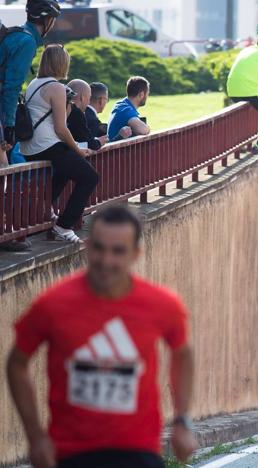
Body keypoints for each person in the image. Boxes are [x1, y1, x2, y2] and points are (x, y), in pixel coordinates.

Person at [7, 205, 197, 468]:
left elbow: (182, 352)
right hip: (71, 454)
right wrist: (35, 437)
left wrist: (182, 419)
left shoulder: (162, 305)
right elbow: (17, 362)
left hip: (137, 451)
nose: (107, 260)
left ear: (136, 254)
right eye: (99, 248)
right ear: (87, 246)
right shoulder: (53, 304)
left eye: (118, 251)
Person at [20, 45, 98, 244]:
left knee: (65, 171)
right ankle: (63, 226)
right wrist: (78, 150)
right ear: (61, 63)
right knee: (90, 177)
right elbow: (61, 129)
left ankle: (44, 209)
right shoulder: (57, 88)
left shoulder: (34, 84)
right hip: (46, 144)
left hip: (29, 146)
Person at [0, 0, 61, 252]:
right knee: (6, 171)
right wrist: (10, 126)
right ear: (48, 20)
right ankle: (7, 234)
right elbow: (11, 87)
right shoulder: (25, 42)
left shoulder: (17, 35)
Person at [226, 29, 258, 154]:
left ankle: (242, 144)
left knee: (252, 109)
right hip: (247, 91)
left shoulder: (247, 49)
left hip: (232, 89)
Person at [107, 76, 150, 142]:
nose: (147, 97)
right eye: (147, 94)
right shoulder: (125, 109)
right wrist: (148, 128)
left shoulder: (121, 104)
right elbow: (142, 130)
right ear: (141, 94)